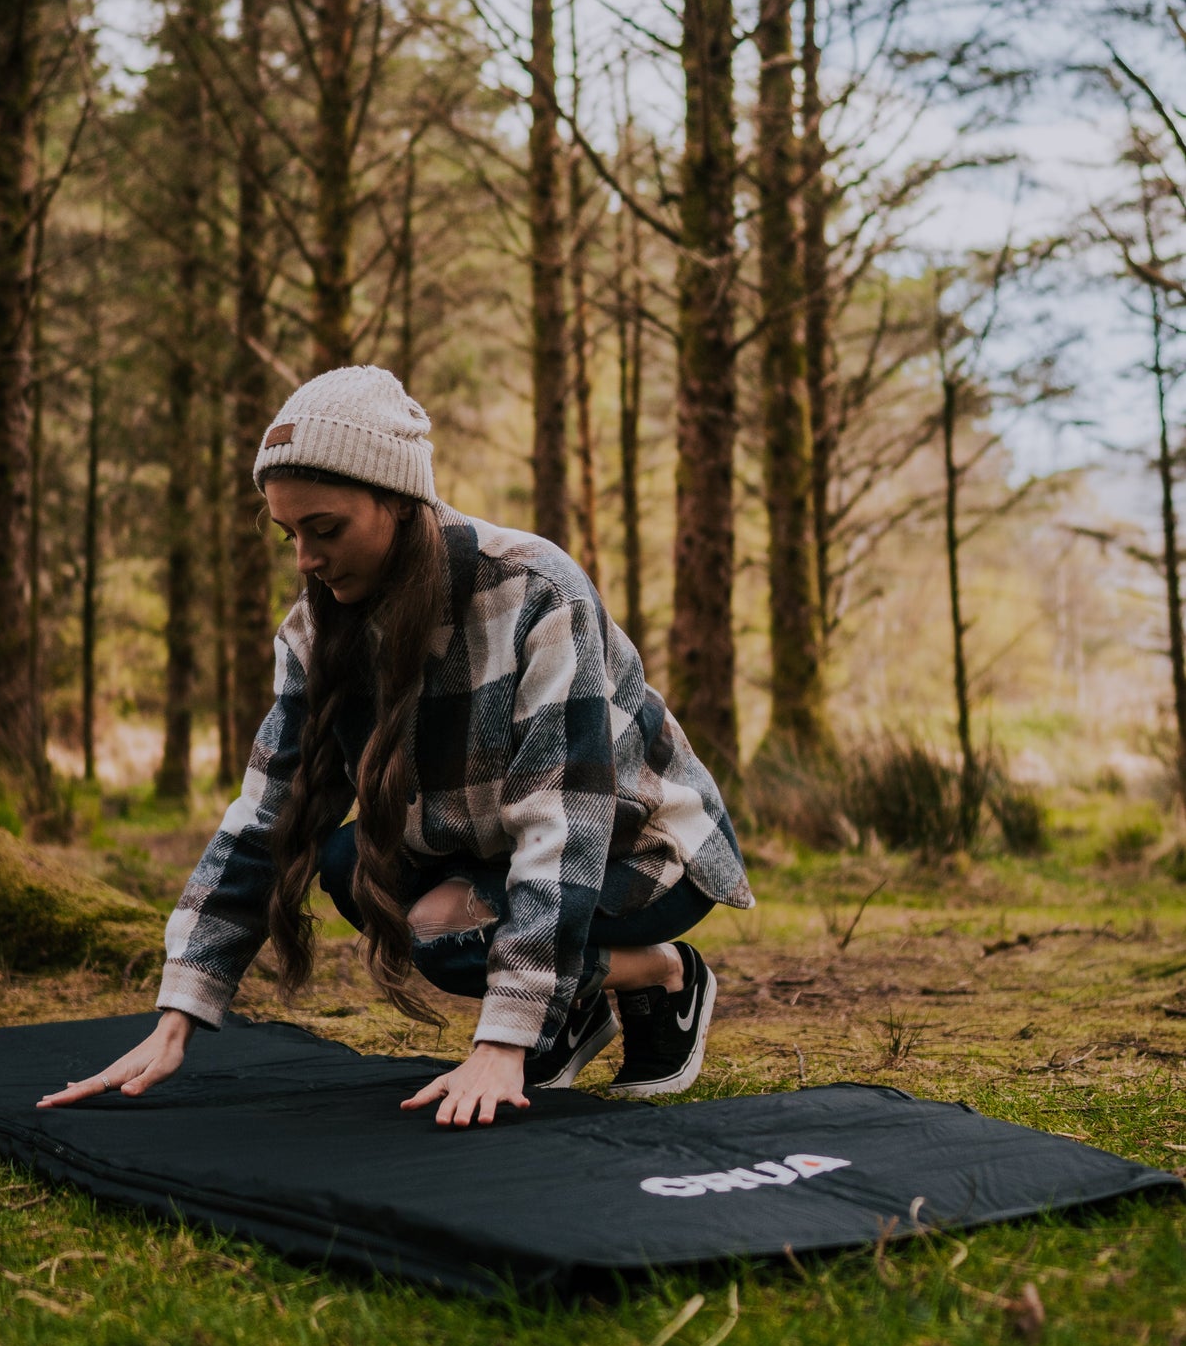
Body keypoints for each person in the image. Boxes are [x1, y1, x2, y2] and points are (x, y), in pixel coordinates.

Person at [40, 366, 753, 1127]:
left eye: (325, 528)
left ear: (397, 500)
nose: (304, 559)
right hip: (494, 855)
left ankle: (666, 976)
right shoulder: (316, 630)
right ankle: (567, 1000)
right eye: (289, 535)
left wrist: (504, 1039)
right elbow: (267, 816)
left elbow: (563, 822)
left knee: (446, 936)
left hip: (635, 852)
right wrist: (179, 1013)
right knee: (350, 866)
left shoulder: (535, 590)